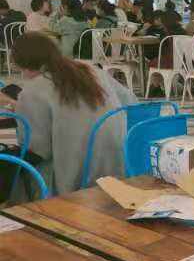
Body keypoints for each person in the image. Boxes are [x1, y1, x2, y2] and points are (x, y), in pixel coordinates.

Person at [9, 32, 136, 198]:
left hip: (73, 182)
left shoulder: (33, 91)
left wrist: (18, 108)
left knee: (14, 172)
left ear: (22, 65)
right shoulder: (89, 69)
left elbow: (37, 150)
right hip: (117, 169)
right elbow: (130, 101)